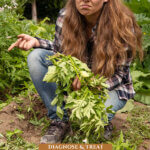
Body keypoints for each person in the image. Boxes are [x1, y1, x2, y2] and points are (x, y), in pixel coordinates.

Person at [8, 0, 143, 144]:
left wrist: (92, 84)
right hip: (76, 82)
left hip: (108, 86)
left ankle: (103, 123)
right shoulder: (66, 16)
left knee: (95, 120)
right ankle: (59, 120)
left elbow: (120, 75)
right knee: (36, 57)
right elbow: (60, 52)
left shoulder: (122, 23)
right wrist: (37, 42)